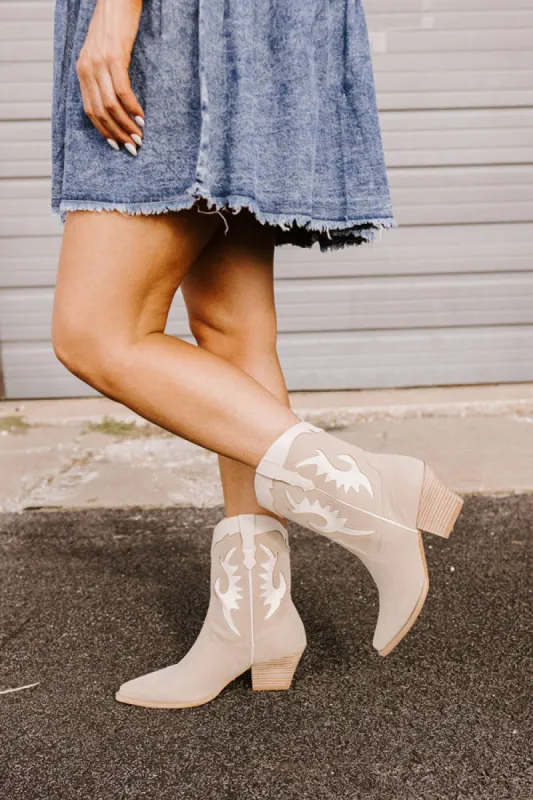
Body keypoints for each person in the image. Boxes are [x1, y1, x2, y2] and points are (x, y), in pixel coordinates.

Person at [50, 0, 463, 709]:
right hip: (262, 26)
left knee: (94, 333)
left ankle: (367, 489)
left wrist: (117, 14)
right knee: (229, 326)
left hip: (181, 29)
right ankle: (253, 619)